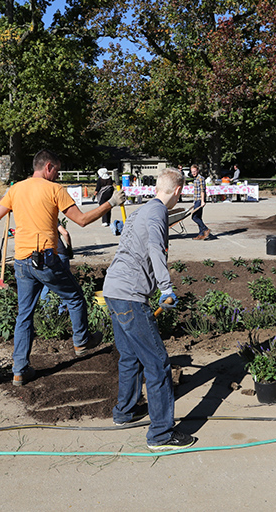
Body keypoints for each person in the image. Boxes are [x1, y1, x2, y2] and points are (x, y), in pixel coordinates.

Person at [0, 149, 126, 386]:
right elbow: (81, 220)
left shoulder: (16, 189)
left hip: (21, 261)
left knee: (24, 315)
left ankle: (19, 370)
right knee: (74, 297)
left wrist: (9, 198)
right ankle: (81, 341)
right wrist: (110, 203)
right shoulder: (54, 190)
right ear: (49, 167)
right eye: (57, 170)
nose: (57, 176)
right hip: (45, 259)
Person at [102, 167, 197, 451]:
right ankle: (160, 435)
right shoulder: (157, 214)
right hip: (130, 296)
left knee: (130, 356)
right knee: (157, 363)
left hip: (112, 290)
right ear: (178, 191)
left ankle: (125, 412)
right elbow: (156, 248)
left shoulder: (142, 211)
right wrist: (166, 287)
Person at [190, 164, 210, 240]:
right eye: (192, 172)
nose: (193, 173)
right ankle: (201, 234)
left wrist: (202, 201)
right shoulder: (195, 179)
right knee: (198, 217)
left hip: (199, 200)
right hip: (196, 200)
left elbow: (202, 190)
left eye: (195, 171)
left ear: (198, 170)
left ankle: (205, 229)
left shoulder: (200, 178)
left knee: (194, 217)